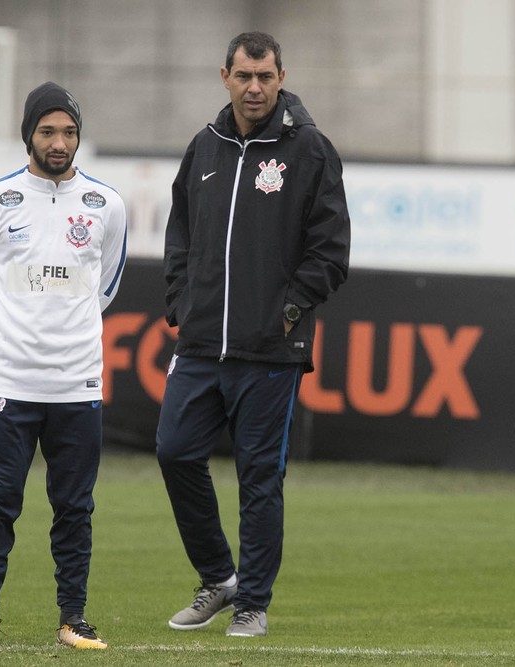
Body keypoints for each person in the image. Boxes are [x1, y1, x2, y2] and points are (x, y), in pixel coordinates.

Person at [157, 31, 350, 637]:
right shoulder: (204, 147)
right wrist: (180, 301)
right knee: (173, 450)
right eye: (244, 76)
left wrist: (290, 310)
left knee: (259, 478)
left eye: (266, 77)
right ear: (225, 77)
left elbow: (331, 250)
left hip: (270, 349)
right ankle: (220, 577)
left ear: (281, 77)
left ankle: (253, 604)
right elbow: (180, 233)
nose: (255, 88)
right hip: (201, 345)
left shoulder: (309, 150)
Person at [0, 81, 128, 651]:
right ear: (28, 133)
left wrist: (61, 330)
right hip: (8, 379)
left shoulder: (107, 204)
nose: (59, 142)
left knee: (75, 508)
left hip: (77, 382)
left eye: (69, 132)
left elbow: (105, 286)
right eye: (48, 131)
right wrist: (17, 330)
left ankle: (73, 619)